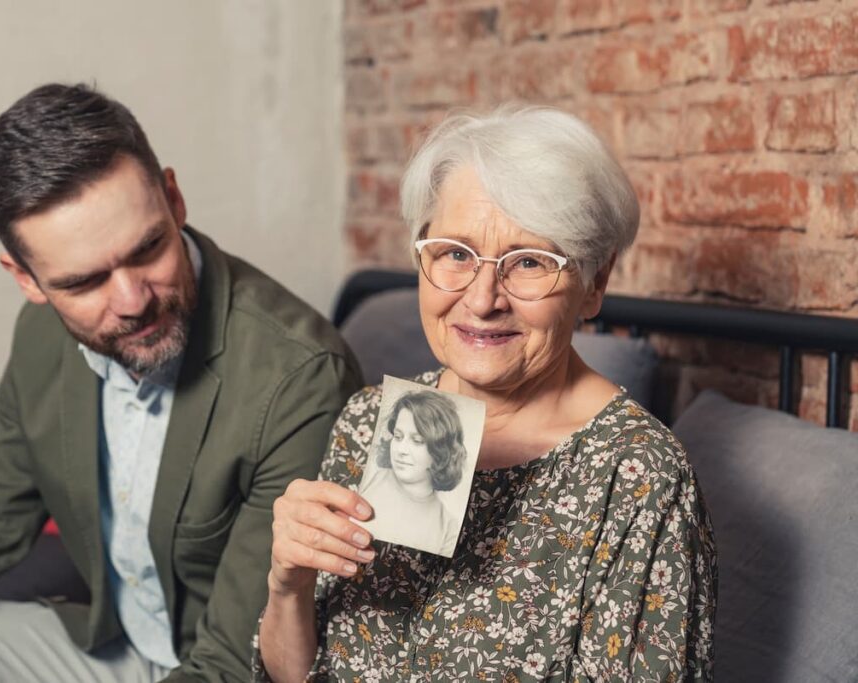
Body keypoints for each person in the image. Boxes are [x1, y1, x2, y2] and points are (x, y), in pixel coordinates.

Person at [0, 83, 361, 682]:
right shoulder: (41, 334)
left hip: (226, 669)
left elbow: (239, 657)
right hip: (112, 650)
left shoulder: (301, 377)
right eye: (84, 283)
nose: (133, 301)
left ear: (173, 197)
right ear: (28, 279)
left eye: (148, 249)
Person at [256, 107, 717, 681]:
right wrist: (288, 586)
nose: (481, 299)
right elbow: (290, 673)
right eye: (455, 253)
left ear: (594, 283)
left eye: (528, 262)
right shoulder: (370, 417)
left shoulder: (641, 478)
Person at [358, 390, 467, 556]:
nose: (401, 450)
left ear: (441, 451)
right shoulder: (368, 479)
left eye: (417, 441)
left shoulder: (447, 528)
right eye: (398, 436)